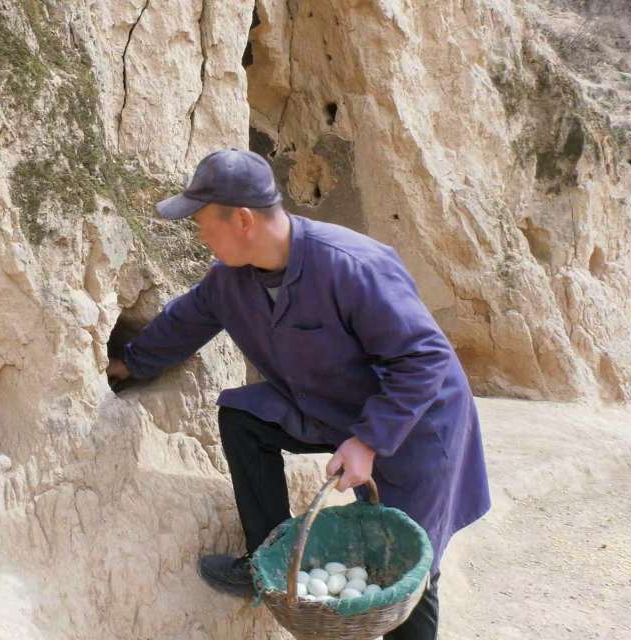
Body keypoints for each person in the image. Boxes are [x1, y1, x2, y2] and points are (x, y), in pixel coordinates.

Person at [106, 148, 490, 640]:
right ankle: (267, 560)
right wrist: (126, 365)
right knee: (244, 417)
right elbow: (183, 323)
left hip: (416, 421)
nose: (200, 235)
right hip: (331, 407)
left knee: (407, 568)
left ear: (242, 220)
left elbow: (425, 359)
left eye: (202, 222)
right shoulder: (231, 280)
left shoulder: (352, 265)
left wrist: (369, 441)